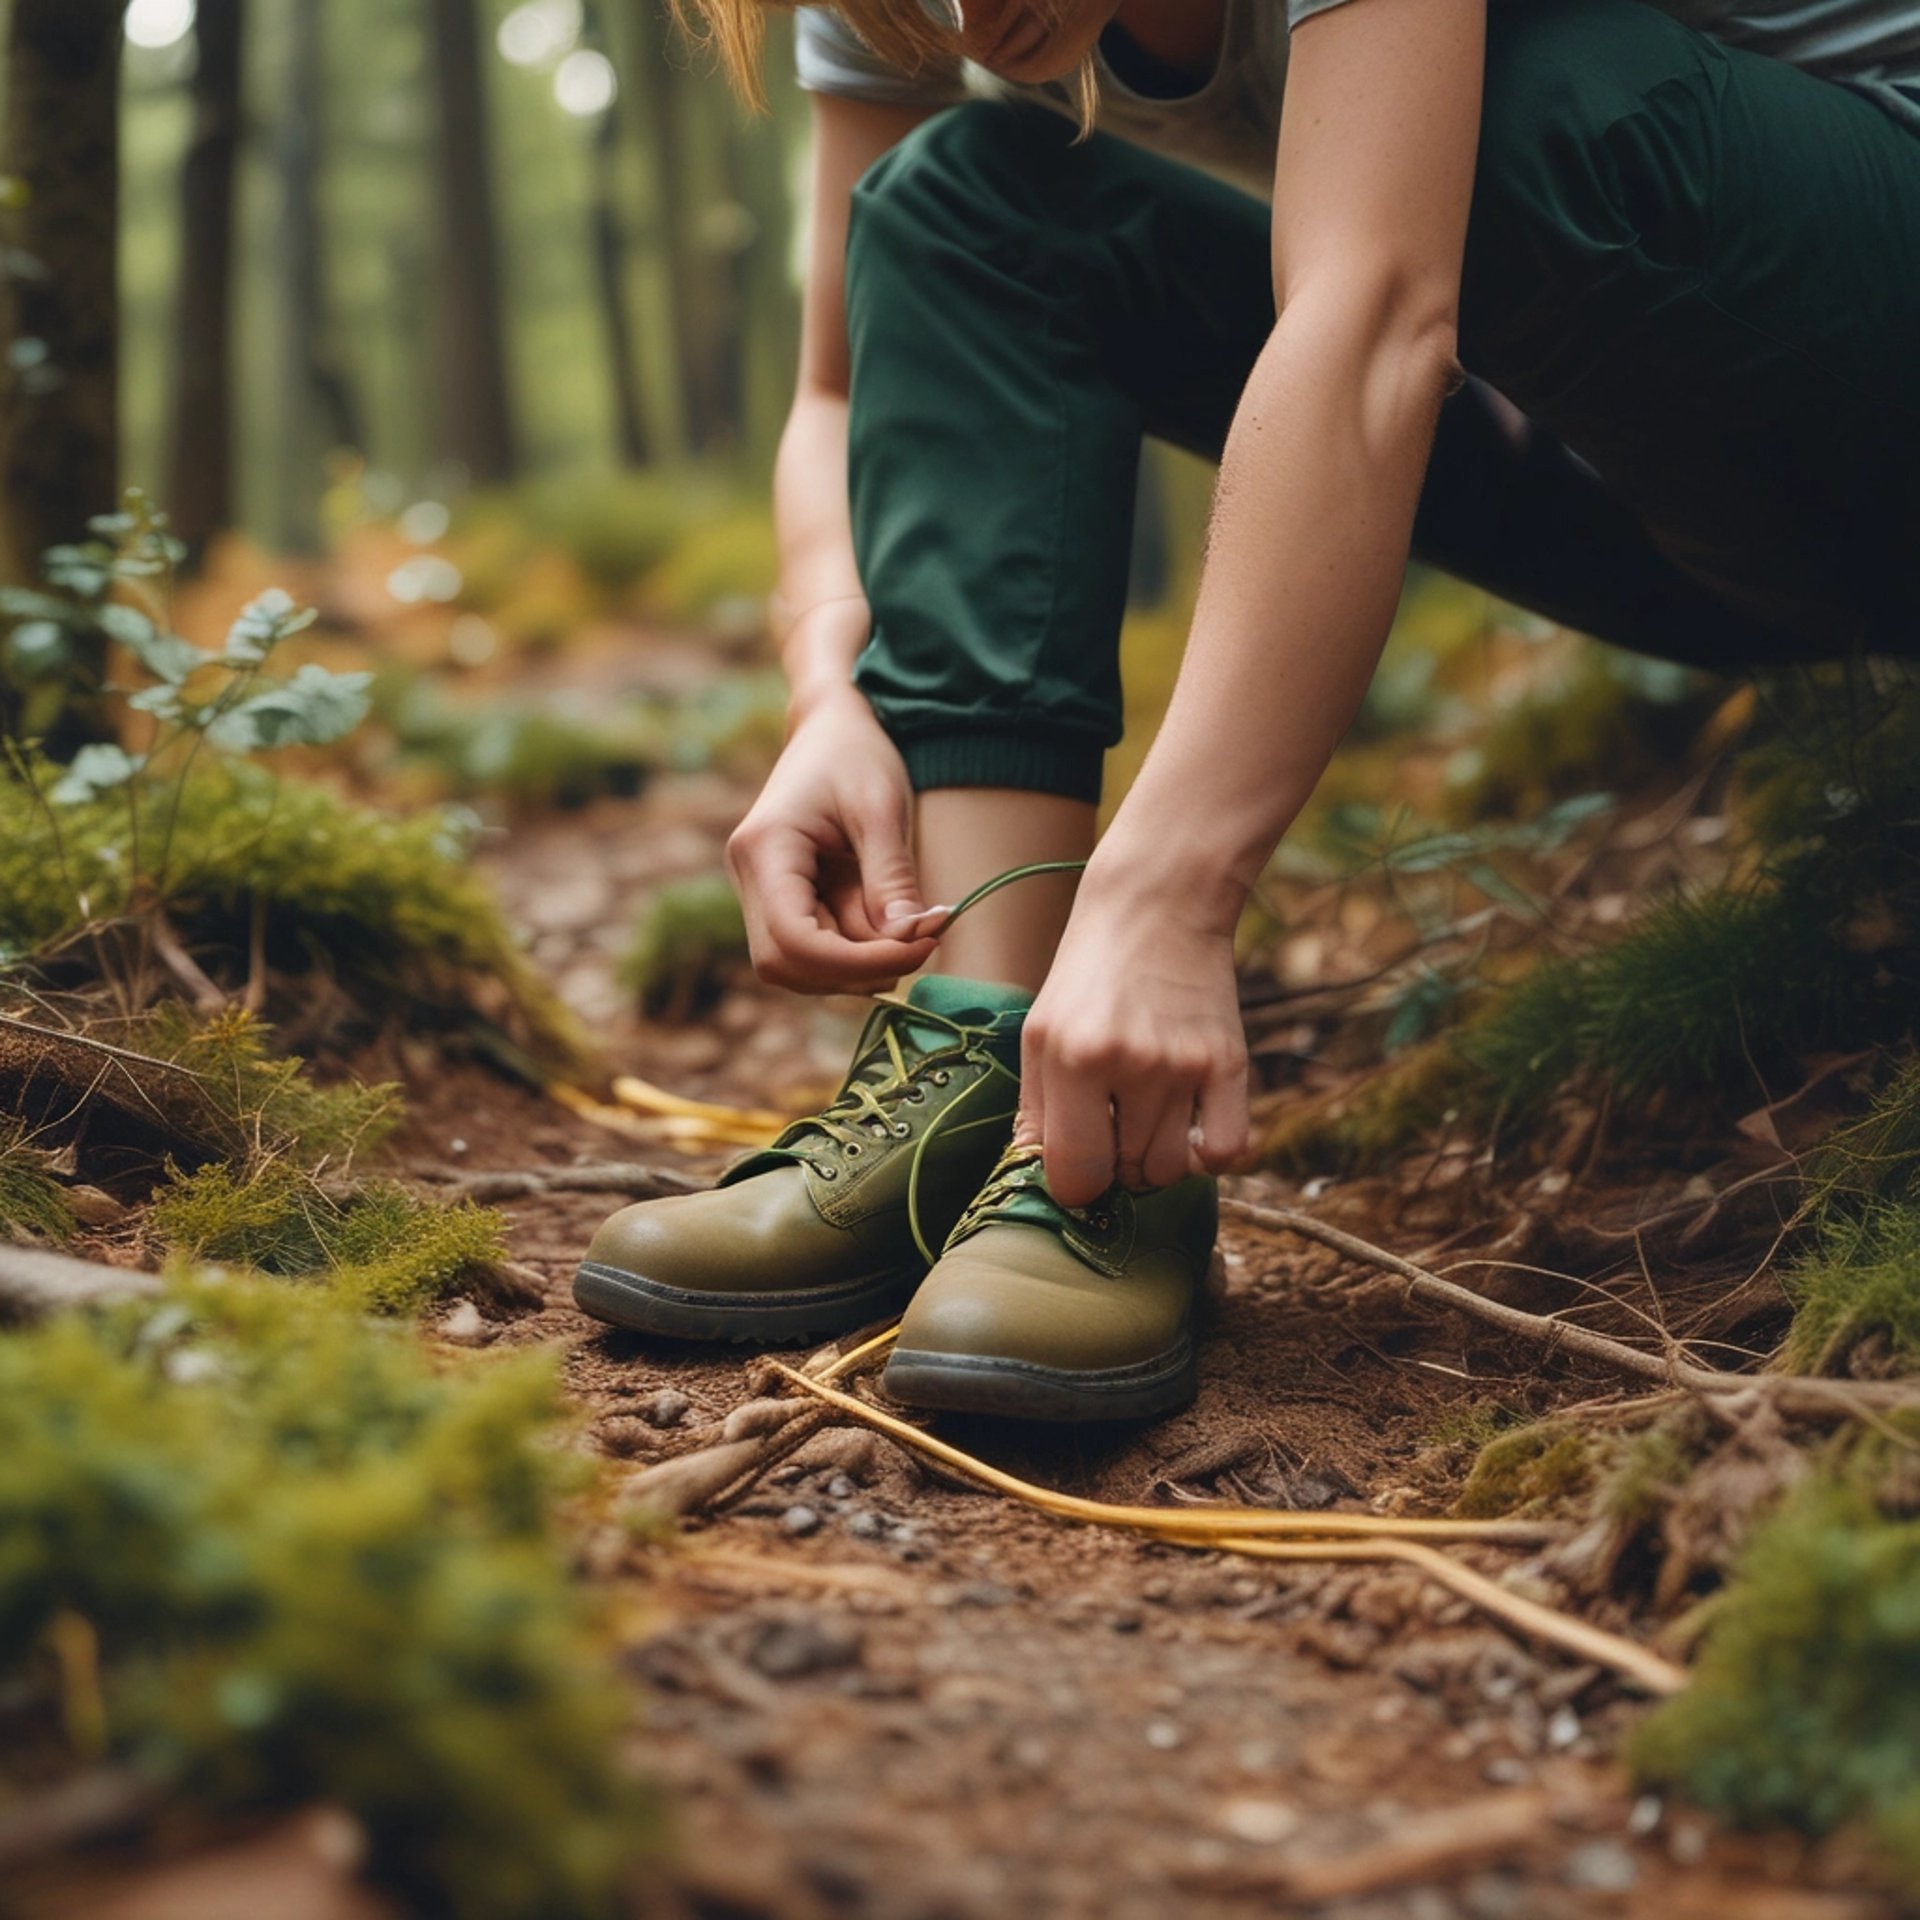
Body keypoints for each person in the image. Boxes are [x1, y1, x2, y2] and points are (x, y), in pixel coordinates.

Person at [575, 0, 1920, 1422]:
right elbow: (837, 386)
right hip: (1658, 485)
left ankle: (1115, 1073)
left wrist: (1164, 897)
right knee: (962, 208)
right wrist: (829, 685)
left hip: (1854, 368)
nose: (961, 12)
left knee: (1542, 115)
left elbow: (1374, 313)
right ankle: (1019, 1081)